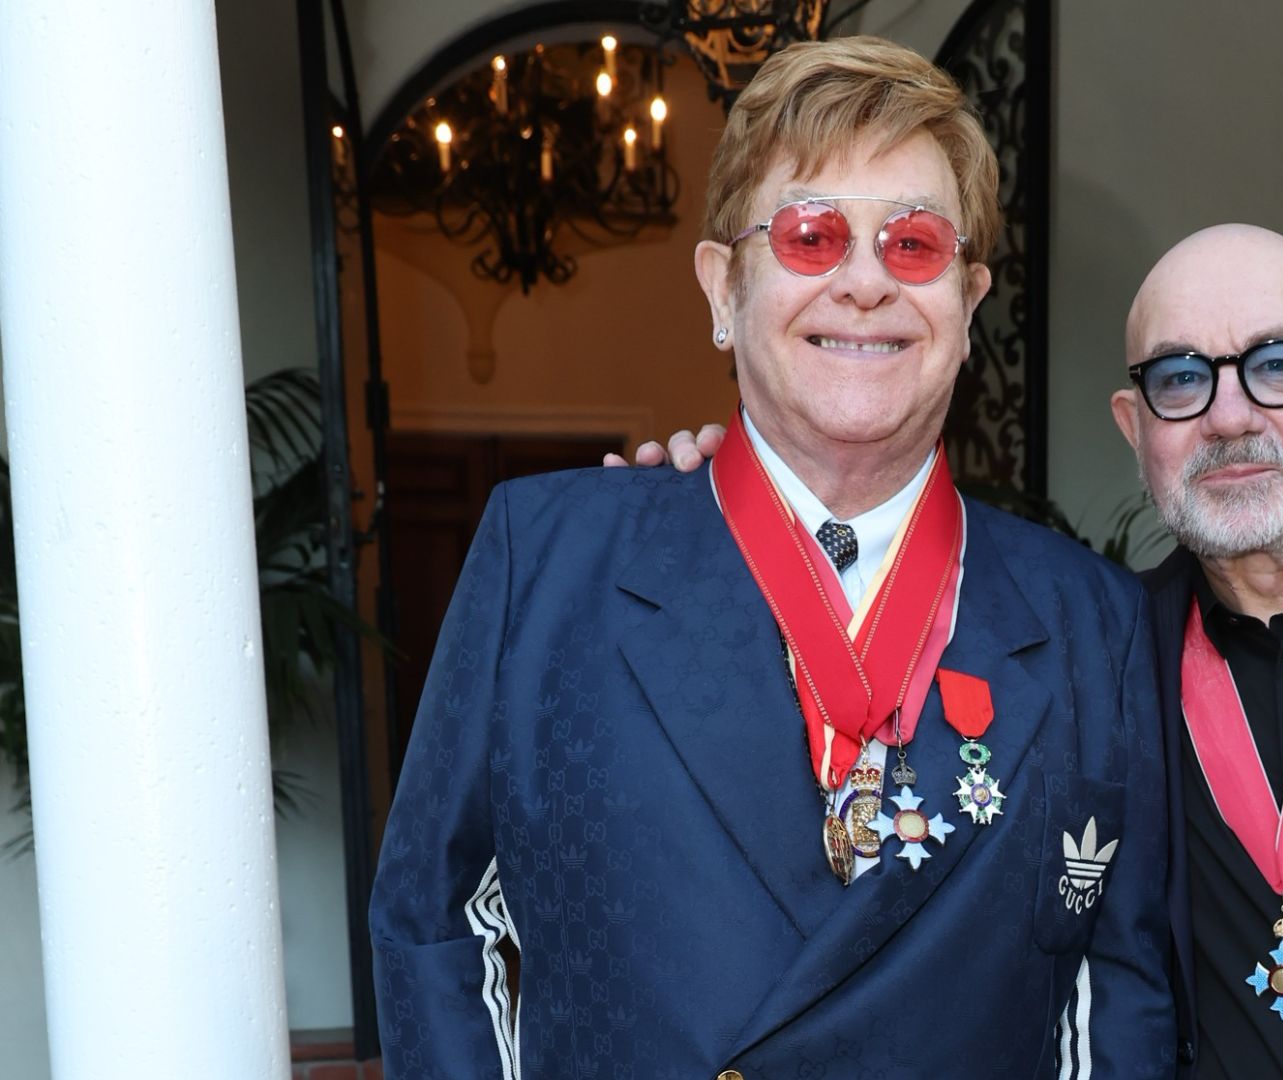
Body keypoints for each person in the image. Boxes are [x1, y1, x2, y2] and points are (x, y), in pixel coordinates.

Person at [637, 224, 1283, 1077]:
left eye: (1274, 366)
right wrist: (723, 516)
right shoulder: (1084, 653)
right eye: (1182, 380)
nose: (1228, 416)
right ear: (1138, 429)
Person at [371, 37, 1174, 1080]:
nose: (865, 284)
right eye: (810, 236)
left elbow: (1115, 1004)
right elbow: (435, 922)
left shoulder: (1090, 624)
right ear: (722, 289)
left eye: (916, 245)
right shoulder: (548, 560)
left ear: (970, 306)